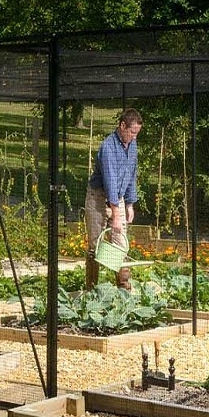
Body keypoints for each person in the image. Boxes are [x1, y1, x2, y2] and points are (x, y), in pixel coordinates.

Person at [84, 107, 143, 291]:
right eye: (132, 132)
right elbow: (110, 182)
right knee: (95, 244)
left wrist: (130, 204)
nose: (134, 137)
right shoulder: (108, 147)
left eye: (137, 133)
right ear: (122, 126)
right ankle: (91, 290)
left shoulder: (132, 144)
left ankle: (124, 290)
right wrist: (116, 216)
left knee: (120, 244)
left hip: (118, 198)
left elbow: (131, 174)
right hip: (98, 197)